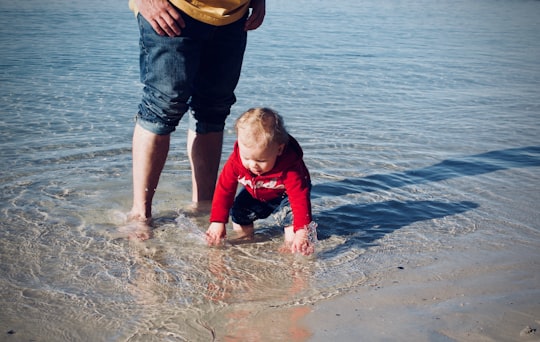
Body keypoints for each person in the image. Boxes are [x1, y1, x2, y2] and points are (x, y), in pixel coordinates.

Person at [125, 0, 266, 240]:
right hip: (172, 9)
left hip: (233, 15)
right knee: (163, 107)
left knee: (213, 108)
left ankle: (204, 207)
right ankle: (140, 214)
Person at [205, 108, 317, 256]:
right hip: (257, 190)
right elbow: (224, 189)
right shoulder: (235, 163)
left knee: (292, 219)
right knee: (239, 211)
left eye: (261, 160)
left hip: (286, 195)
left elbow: (299, 198)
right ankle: (246, 238)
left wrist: (302, 231)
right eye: (246, 158)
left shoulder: (290, 168)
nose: (253, 165)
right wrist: (218, 221)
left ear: (279, 149)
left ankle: (292, 246)